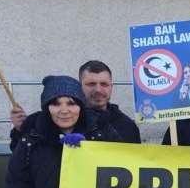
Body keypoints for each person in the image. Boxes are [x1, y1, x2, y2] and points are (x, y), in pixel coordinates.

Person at [10, 60, 140, 150]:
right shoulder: (50, 121)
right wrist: (20, 130)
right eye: (91, 84)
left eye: (104, 84)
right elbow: (20, 158)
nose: (98, 90)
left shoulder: (127, 126)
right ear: (79, 86)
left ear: (111, 87)